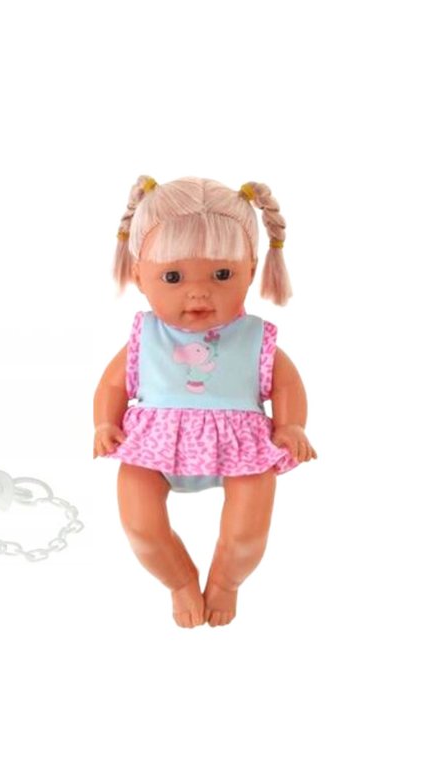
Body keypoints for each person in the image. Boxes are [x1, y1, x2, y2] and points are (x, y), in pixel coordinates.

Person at [93, 176, 317, 628]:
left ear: (250, 270)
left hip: (242, 451)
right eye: (173, 277)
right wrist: (104, 423)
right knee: (141, 527)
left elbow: (287, 385)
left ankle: (227, 581)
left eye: (222, 275)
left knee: (246, 536)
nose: (198, 293)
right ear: (139, 275)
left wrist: (290, 425)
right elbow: (113, 386)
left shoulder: (255, 339)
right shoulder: (146, 337)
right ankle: (178, 580)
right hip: (152, 450)